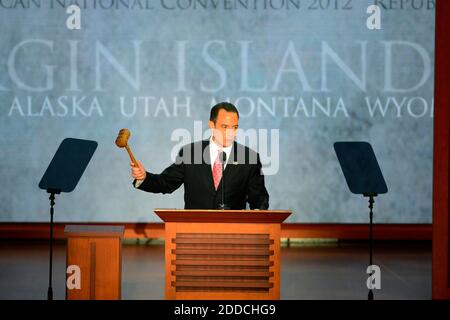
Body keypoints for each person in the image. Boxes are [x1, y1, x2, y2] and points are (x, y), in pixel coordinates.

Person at [130, 102, 269, 210]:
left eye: (235, 127)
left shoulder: (249, 158)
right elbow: (165, 183)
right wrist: (144, 178)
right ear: (211, 125)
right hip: (194, 234)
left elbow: (259, 198)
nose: (231, 132)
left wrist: (257, 215)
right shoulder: (191, 153)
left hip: (233, 236)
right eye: (225, 127)